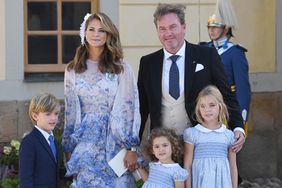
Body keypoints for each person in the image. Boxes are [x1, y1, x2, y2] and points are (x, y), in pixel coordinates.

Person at [137, 3, 245, 152]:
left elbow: (227, 95)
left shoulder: (207, 56)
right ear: (157, 31)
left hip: (200, 144)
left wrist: (238, 127)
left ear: (184, 27)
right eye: (162, 28)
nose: (168, 33)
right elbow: (141, 108)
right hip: (162, 148)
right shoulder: (148, 63)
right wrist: (132, 145)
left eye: (173, 26)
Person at [62, 12, 141, 187]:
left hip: (115, 143)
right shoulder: (72, 69)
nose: (96, 34)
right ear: (84, 33)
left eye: (101, 30)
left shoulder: (121, 68)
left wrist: (131, 148)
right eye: (92, 29)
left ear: (108, 35)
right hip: (85, 144)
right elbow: (70, 111)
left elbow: (130, 108)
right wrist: (68, 147)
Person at [200, 0, 251, 136]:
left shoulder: (235, 52)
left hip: (227, 108)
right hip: (205, 108)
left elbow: (242, 88)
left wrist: (240, 118)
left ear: (226, 28)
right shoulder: (203, 49)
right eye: (209, 27)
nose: (211, 30)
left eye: (216, 27)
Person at [183, 85, 237, 188]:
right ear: (198, 109)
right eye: (202, 106)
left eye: (212, 105)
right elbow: (187, 166)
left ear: (220, 106)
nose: (207, 110)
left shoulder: (228, 135)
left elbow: (233, 167)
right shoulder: (192, 133)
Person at [19, 93, 60, 188]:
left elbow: (54, 171)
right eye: (48, 114)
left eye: (56, 113)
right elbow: (25, 180)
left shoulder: (54, 141)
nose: (53, 118)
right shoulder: (29, 142)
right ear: (35, 116)